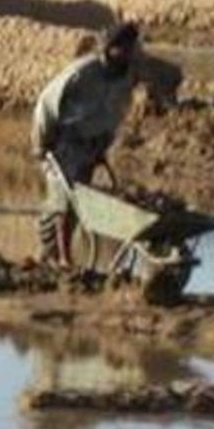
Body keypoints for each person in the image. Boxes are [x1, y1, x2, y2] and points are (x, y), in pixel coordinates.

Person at [32, 20, 143, 267]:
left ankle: (51, 256)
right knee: (62, 201)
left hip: (91, 145)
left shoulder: (125, 77)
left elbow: (117, 111)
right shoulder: (81, 73)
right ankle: (61, 258)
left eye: (130, 48)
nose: (127, 54)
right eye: (122, 49)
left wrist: (103, 145)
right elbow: (45, 104)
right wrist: (40, 144)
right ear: (110, 48)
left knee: (79, 203)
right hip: (65, 142)